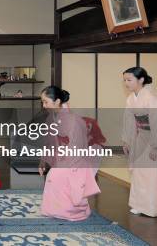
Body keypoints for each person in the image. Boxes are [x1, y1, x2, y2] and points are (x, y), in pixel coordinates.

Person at [122, 67, 157, 217]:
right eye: (125, 80)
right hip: (141, 137)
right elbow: (129, 121)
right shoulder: (130, 99)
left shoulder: (152, 97)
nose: (126, 83)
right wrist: (127, 141)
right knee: (140, 173)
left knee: (154, 174)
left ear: (141, 80)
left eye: (129, 80)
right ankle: (140, 205)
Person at [38, 86, 100, 221]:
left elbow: (78, 148)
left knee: (57, 176)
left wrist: (63, 164)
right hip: (62, 157)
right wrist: (44, 160)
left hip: (76, 160)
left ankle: (71, 212)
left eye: (46, 102)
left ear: (57, 101)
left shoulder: (74, 121)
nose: (43, 105)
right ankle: (56, 210)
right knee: (52, 176)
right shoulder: (52, 118)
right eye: (42, 102)